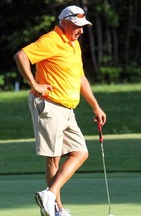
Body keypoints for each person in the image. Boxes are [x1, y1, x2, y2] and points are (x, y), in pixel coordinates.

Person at [14, 5, 106, 216]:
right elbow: (21, 56)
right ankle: (57, 209)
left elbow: (80, 78)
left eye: (83, 27)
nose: (81, 31)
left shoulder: (74, 45)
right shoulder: (51, 40)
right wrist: (33, 84)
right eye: (76, 26)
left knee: (80, 152)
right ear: (64, 22)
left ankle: (50, 194)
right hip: (49, 105)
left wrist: (96, 106)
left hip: (68, 108)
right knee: (53, 159)